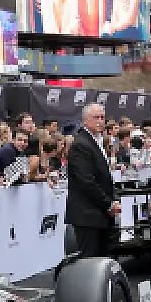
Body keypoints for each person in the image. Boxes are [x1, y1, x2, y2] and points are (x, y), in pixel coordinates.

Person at [64, 104, 117, 258]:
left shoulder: (96, 141)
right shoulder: (81, 144)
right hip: (88, 214)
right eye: (96, 117)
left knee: (102, 259)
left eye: (102, 117)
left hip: (98, 214)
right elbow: (86, 181)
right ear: (85, 121)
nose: (100, 121)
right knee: (90, 260)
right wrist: (108, 204)